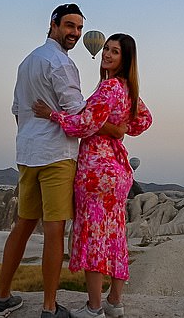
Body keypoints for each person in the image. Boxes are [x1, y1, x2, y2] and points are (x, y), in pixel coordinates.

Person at [0, 4, 124, 318]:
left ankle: (1, 298)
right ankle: (49, 308)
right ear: (53, 24)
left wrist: (31, 135)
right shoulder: (62, 64)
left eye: (78, 28)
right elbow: (79, 112)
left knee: (22, 225)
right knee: (53, 230)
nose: (74, 34)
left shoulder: (27, 61)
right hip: (57, 156)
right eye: (69, 26)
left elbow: (16, 109)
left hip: (27, 154)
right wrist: (115, 128)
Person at [33, 33, 153, 318]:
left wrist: (52, 115)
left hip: (97, 171)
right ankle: (115, 302)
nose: (107, 55)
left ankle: (94, 308)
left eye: (115, 52)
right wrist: (117, 127)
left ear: (125, 59)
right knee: (114, 236)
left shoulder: (109, 87)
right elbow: (144, 120)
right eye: (107, 49)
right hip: (119, 170)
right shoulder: (127, 89)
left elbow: (82, 125)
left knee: (92, 237)